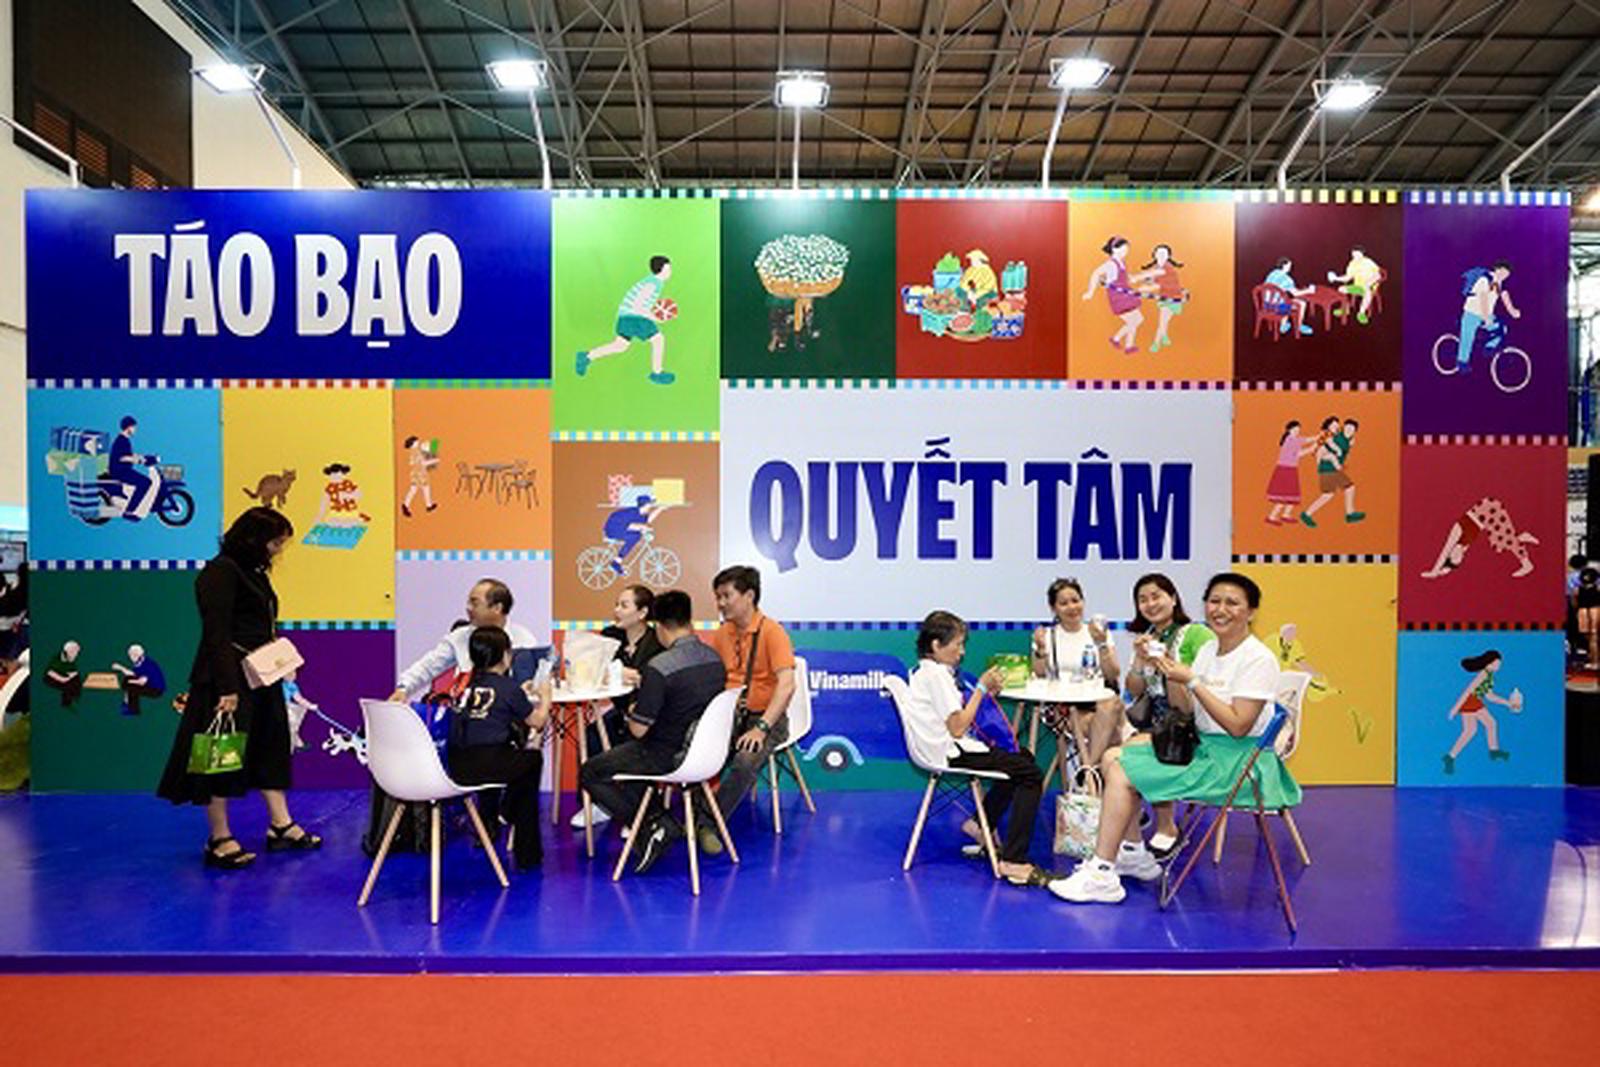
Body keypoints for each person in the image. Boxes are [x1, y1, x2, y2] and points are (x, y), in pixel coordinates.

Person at [1050, 573, 1299, 904]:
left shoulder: (1257, 658)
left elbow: (1239, 726)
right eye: (1214, 601)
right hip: (1203, 745)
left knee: (1121, 769)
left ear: (1251, 611)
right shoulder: (1209, 649)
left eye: (1232, 603)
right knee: (1112, 756)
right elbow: (1185, 710)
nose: (1220, 609)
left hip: (1237, 762)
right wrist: (1168, 672)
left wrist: (1193, 681)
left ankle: (1102, 873)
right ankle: (1133, 852)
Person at [157, 507, 323, 870]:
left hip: (260, 677)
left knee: (271, 747)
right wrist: (227, 689)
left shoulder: (254, 572)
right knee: (220, 756)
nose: (278, 550)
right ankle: (219, 837)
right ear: (253, 539)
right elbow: (216, 634)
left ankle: (281, 824)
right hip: (226, 681)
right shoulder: (220, 572)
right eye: (275, 542)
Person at [584, 590, 727, 874]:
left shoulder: (659, 667)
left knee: (590, 772)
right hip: (707, 753)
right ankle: (657, 821)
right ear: (689, 620)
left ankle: (654, 822)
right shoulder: (714, 660)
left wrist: (633, 710)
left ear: (659, 626)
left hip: (666, 756)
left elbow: (638, 730)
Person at [903, 610, 1049, 886]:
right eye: (957, 644)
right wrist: (981, 688)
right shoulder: (937, 676)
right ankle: (1014, 860)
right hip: (951, 752)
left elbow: (956, 716)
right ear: (936, 645)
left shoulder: (926, 672)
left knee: (1023, 758)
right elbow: (958, 726)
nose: (962, 652)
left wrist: (981, 694)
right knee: (1030, 774)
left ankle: (980, 825)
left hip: (946, 748)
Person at [697, 565, 796, 855]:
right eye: (718, 597)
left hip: (765, 718)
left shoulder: (773, 632)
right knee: (694, 748)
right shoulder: (722, 633)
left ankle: (707, 823)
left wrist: (762, 728)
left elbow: (787, 685)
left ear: (749, 596)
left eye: (726, 596)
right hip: (729, 715)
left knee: (744, 760)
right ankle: (690, 814)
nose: (720, 603)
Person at [1123, 573, 1215, 857]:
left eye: (1156, 596)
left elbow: (1189, 704)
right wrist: (1140, 660)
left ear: (1173, 598)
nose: (1150, 604)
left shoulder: (1197, 634)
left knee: (1130, 753)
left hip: (1192, 721)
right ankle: (1131, 823)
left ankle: (1167, 827)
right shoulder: (1148, 637)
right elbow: (1134, 690)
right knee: (1109, 729)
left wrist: (1170, 667)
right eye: (1143, 599)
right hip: (1157, 719)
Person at [447, 626, 550, 871]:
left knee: (519, 764)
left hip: (455, 766)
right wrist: (546, 697)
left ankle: (505, 812)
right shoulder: (508, 688)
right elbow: (537, 721)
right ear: (505, 655)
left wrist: (519, 694)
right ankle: (526, 852)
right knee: (532, 760)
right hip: (490, 763)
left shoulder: (462, 687)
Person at [572, 584, 665, 830]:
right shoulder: (610, 636)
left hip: (647, 716)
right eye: (616, 604)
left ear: (642, 612)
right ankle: (600, 804)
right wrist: (620, 673)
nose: (617, 611)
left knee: (635, 744)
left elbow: (653, 680)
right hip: (621, 711)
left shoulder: (657, 641)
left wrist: (625, 674)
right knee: (592, 736)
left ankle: (637, 812)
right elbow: (593, 668)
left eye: (624, 605)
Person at [390, 579, 544, 703]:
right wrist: (404, 688)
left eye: (475, 603)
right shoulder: (459, 638)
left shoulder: (524, 639)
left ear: (497, 608)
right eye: (469, 603)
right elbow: (428, 665)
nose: (468, 608)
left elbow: (536, 684)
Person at [1029, 577, 1123, 772]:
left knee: (1112, 704)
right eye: (1064, 603)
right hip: (1063, 707)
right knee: (1113, 734)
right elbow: (1039, 674)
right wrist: (1040, 650)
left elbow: (1113, 674)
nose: (1072, 607)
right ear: (1054, 608)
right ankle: (1091, 776)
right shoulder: (1047, 636)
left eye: (1075, 600)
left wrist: (1102, 644)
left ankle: (1086, 771)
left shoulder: (1098, 632)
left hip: (1097, 702)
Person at [576, 255, 675, 385]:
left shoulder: (652, 282)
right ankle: (657, 373)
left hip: (625, 317)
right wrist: (654, 317)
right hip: (634, 317)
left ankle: (586, 356)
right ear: (661, 270)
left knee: (620, 346)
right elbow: (638, 305)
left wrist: (653, 315)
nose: (670, 272)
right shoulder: (653, 284)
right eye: (668, 269)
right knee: (658, 339)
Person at [1420, 496, 1539, 580]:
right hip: (1488, 518)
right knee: (1498, 545)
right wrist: (1444, 571)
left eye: (1455, 556)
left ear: (1449, 554)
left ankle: (1526, 563)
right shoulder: (1464, 546)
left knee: (1506, 540)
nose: (1460, 554)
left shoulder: (1457, 532)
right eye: (1460, 558)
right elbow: (1449, 568)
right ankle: (1522, 538)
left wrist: (1434, 571)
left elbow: (1444, 551)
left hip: (1487, 509)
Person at [1443, 650, 1519, 773]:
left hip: (1476, 702)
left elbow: (1490, 696)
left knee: (1488, 724)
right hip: (1470, 702)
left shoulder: (1490, 676)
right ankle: (1450, 757)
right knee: (1472, 730)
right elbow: (1468, 691)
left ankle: (1493, 751)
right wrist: (1455, 708)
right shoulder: (1483, 674)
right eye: (1497, 663)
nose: (1499, 665)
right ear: (1489, 663)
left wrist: (1508, 703)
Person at [1083, 236, 1146, 354]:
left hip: (1125, 293)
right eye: (1123, 249)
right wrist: (1090, 292)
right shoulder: (1110, 264)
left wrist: (1136, 278)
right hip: (1119, 297)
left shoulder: (1122, 263)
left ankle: (1119, 340)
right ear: (1114, 249)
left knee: (1137, 319)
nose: (1125, 251)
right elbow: (1096, 274)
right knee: (1134, 321)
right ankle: (1125, 344)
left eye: (1127, 249)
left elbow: (1124, 277)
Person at [1456, 261, 1521, 374]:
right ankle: (1462, 363)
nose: (1504, 276)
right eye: (1503, 272)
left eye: (1506, 275)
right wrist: (1486, 317)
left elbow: (1505, 297)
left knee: (1502, 328)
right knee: (1467, 338)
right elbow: (1483, 298)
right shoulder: (1485, 279)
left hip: (1486, 314)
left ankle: (1489, 348)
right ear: (1497, 269)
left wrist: (1513, 311)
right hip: (1472, 313)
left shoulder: (1498, 283)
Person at [1300, 418, 1364, 526]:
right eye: (1347, 427)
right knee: (1329, 494)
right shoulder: (1336, 438)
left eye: (1352, 429)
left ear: (1355, 431)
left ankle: (1350, 514)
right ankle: (1306, 514)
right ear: (1343, 428)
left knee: (1347, 489)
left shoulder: (1349, 440)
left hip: (1332, 469)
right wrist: (1329, 459)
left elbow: (1345, 450)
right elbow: (1323, 450)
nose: (1349, 430)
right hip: (1328, 468)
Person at [1265, 420, 1317, 525]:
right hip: (1285, 470)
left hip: (1290, 469)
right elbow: (1300, 451)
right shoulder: (1291, 440)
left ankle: (1286, 514)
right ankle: (1272, 516)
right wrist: (1312, 447)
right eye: (1294, 429)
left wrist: (1317, 439)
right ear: (1289, 430)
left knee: (1292, 494)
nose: (1297, 431)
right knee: (1283, 495)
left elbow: (1306, 443)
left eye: (1298, 429)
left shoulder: (1294, 440)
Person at [602, 493, 664, 577]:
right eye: (650, 504)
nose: (651, 506)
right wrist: (643, 527)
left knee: (636, 535)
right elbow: (629, 526)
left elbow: (648, 520)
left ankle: (617, 561)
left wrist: (661, 509)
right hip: (613, 528)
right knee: (635, 536)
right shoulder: (632, 513)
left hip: (620, 528)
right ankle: (616, 562)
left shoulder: (642, 514)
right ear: (645, 505)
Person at [1138, 244, 1186, 352]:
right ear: (1154, 254)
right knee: (1164, 322)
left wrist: (1145, 287)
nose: (1161, 255)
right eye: (1158, 253)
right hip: (1164, 298)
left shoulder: (1167, 268)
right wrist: (1144, 282)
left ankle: (1156, 343)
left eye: (1164, 253)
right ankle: (1164, 337)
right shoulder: (1157, 268)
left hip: (1173, 299)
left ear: (1168, 256)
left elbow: (1158, 284)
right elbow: (1151, 279)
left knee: (1162, 322)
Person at [109, 415, 156, 519]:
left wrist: (143, 457)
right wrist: (138, 460)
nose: (135, 430)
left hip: (124, 470)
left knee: (144, 481)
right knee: (145, 482)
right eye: (134, 427)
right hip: (119, 471)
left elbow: (129, 454)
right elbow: (122, 457)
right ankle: (129, 512)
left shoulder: (125, 439)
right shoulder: (121, 440)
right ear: (128, 427)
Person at [1327, 246, 1383, 324]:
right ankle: (1346, 309)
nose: (1355, 257)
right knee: (1341, 289)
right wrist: (1336, 278)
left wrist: (1369, 283)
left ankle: (1361, 313)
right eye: (1353, 255)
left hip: (1370, 286)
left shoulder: (1368, 262)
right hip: (1357, 286)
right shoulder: (1352, 264)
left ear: (1362, 254)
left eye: (1357, 254)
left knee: (1368, 293)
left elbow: (1378, 275)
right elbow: (1347, 278)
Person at [1262, 258, 1313, 336]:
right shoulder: (1287, 279)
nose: (1290, 267)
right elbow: (1296, 294)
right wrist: (1309, 290)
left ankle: (1283, 325)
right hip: (1277, 307)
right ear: (1284, 266)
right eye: (1289, 265)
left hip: (1266, 305)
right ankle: (1299, 326)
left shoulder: (1272, 273)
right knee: (1302, 303)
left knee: (1285, 300)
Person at [112, 643, 165, 716]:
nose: (131, 658)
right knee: (127, 681)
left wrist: (130, 682)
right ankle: (127, 702)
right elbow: (132, 674)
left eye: (133, 655)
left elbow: (142, 682)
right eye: (130, 655)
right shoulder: (139, 663)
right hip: (149, 684)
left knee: (131, 686)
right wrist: (121, 668)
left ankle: (133, 709)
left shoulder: (147, 664)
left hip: (156, 690)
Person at [400, 436, 438, 518]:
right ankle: (427, 505)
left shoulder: (414, 452)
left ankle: (406, 505)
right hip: (420, 473)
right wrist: (433, 461)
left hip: (417, 473)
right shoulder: (416, 452)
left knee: (415, 489)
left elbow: (414, 463)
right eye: (416, 441)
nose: (418, 442)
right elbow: (422, 463)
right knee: (424, 487)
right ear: (413, 443)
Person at [43, 640, 84, 708]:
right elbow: (50, 673)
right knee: (69, 686)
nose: (76, 655)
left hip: (65, 678)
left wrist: (73, 676)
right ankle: (66, 704)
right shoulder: (57, 659)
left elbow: (72, 672)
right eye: (75, 652)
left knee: (76, 681)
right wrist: (65, 679)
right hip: (52, 679)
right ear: (70, 651)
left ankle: (75, 700)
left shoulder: (71, 662)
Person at [1578, 569, 1600, 670]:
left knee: (1592, 637)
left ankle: (1595, 661)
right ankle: (1594, 659)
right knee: (1592, 637)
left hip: (1589, 611)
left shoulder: (1578, 589)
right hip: (1590, 611)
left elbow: (1575, 602)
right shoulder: (1579, 589)